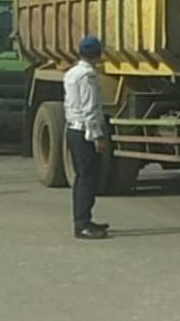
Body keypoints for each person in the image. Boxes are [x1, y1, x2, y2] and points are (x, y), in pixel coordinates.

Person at [65, 35, 111, 240]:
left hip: (73, 129)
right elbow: (90, 108)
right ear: (97, 55)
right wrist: (97, 136)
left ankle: (84, 219)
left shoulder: (72, 73)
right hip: (84, 132)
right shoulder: (88, 76)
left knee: (82, 177)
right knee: (87, 179)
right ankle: (82, 224)